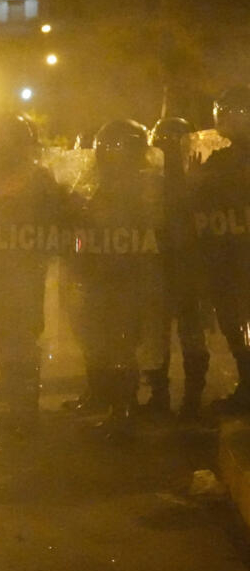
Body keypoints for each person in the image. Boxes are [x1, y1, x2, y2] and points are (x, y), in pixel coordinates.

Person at [0, 114, 67, 428]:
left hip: (24, 272)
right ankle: (11, 386)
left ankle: (24, 403)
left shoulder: (40, 183)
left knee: (22, 334)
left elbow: (57, 224)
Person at [72, 119, 165, 437]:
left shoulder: (142, 191)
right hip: (110, 281)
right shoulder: (114, 189)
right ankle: (116, 405)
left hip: (125, 282)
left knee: (120, 347)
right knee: (108, 344)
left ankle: (122, 411)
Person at [141, 117, 209, 418]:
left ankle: (175, 395)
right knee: (168, 332)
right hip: (171, 261)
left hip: (178, 261)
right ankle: (177, 395)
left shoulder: (180, 177)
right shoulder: (160, 179)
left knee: (171, 331)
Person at [190, 85, 250, 414]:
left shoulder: (223, 162)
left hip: (234, 259)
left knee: (238, 325)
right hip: (228, 259)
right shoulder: (220, 160)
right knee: (234, 325)